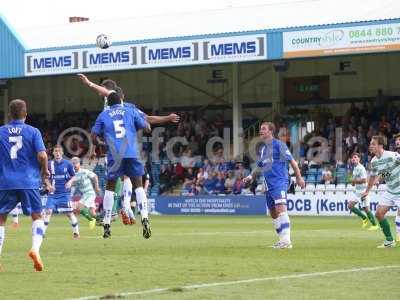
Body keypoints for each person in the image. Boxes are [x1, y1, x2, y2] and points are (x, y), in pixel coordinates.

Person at [78, 75, 151, 239]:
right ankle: (145, 218)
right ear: (121, 99)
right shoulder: (130, 110)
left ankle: (107, 224)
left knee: (110, 187)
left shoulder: (104, 114)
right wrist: (134, 128)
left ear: (108, 102)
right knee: (138, 185)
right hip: (132, 152)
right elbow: (147, 128)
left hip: (114, 154)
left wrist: (102, 144)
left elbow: (93, 136)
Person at [0, 99, 50, 271]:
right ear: (25, 114)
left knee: (1, 219)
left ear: (9, 114)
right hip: (29, 181)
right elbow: (43, 156)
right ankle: (35, 249)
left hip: (5, 182)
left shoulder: (1, 132)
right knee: (37, 217)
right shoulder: (33, 131)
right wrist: (44, 172)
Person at [244, 122, 305, 249]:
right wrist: (251, 176)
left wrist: (299, 177)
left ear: (271, 131)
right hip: (268, 183)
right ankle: (282, 240)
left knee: (281, 209)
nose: (261, 131)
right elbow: (260, 166)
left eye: (263, 129)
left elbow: (292, 162)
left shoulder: (279, 145)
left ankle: (287, 241)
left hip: (279, 181)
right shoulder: (263, 149)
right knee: (273, 213)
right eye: (260, 129)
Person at [362, 135, 399, 248]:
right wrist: (367, 191)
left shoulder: (392, 155)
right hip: (391, 191)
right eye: (370, 143)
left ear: (380, 146)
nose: (370, 146)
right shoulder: (374, 161)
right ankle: (389, 240)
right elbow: (373, 177)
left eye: (373, 144)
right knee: (379, 214)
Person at [43, 146, 79, 239]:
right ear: (53, 153)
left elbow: (74, 176)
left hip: (64, 193)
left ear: (62, 153)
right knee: (48, 212)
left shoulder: (68, 164)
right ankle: (42, 233)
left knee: (69, 213)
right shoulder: (49, 164)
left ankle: (76, 233)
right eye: (56, 151)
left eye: (59, 151)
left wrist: (70, 182)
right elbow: (46, 178)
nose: (57, 153)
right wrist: (49, 185)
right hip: (53, 194)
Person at [348, 153, 379, 230]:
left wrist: (354, 180)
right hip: (357, 191)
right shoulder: (354, 168)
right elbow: (354, 181)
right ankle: (364, 218)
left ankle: (375, 225)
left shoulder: (361, 168)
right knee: (350, 206)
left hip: (363, 191)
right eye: (352, 158)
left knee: (366, 208)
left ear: (359, 159)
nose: (353, 159)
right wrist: (352, 182)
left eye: (355, 157)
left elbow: (364, 180)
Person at [70, 157, 100, 229]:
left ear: (79, 164)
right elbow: (73, 184)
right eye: (73, 163)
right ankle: (102, 221)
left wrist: (96, 187)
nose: (75, 165)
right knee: (92, 213)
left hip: (89, 193)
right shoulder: (72, 174)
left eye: (76, 163)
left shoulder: (84, 171)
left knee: (80, 208)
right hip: (85, 194)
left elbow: (95, 176)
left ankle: (93, 220)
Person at [392, 133, 400, 242]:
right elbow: (388, 170)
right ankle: (398, 233)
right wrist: (379, 178)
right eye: (396, 141)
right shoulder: (393, 156)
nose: (397, 142)